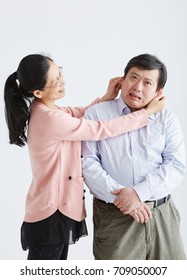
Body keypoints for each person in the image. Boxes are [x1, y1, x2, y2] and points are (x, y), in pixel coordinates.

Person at [3, 54, 164, 260]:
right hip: (53, 211)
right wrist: (145, 114)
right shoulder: (49, 118)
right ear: (38, 92)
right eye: (56, 81)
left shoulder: (46, 110)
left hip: (56, 208)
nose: (63, 82)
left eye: (60, 73)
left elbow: (77, 113)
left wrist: (104, 99)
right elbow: (98, 128)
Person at [82, 53, 186, 260]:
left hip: (161, 213)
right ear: (122, 80)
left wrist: (138, 193)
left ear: (158, 92)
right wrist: (124, 200)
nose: (137, 87)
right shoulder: (96, 114)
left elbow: (176, 164)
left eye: (147, 82)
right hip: (115, 217)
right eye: (133, 77)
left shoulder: (166, 118)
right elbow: (87, 163)